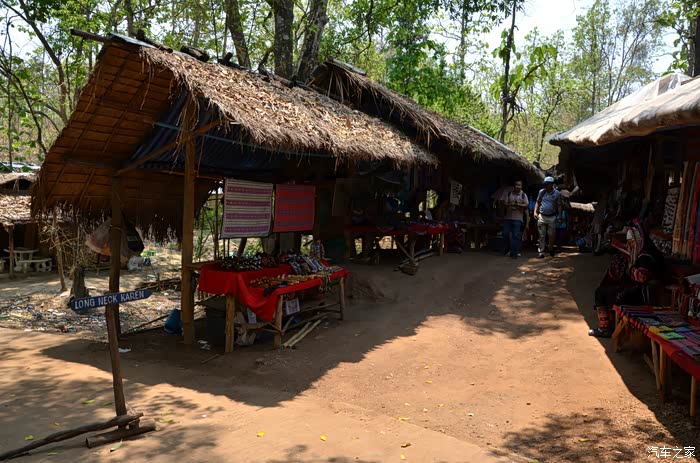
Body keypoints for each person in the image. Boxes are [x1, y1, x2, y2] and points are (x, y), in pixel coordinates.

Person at [534, 176, 562, 258]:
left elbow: (559, 205)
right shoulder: (541, 192)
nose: (545, 185)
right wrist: (535, 212)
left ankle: (550, 248)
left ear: (552, 184)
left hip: (552, 217)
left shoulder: (557, 193)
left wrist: (560, 216)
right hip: (542, 216)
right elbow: (537, 202)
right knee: (541, 235)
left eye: (547, 184)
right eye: (545, 184)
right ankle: (541, 252)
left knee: (551, 235)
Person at [502, 180, 528, 259]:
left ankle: (514, 253)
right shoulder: (509, 194)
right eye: (516, 185)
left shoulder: (523, 195)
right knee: (505, 234)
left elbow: (526, 205)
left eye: (519, 185)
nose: (518, 186)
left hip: (518, 219)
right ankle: (508, 249)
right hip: (508, 218)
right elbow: (504, 203)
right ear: (514, 186)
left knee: (515, 236)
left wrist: (518, 204)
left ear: (521, 186)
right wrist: (510, 204)